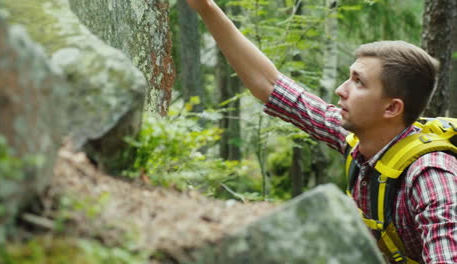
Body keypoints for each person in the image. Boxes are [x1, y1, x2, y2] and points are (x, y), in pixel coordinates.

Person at [184, 0, 457, 263]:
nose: (341, 89)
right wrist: (206, 7)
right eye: (349, 77)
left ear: (391, 108)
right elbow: (270, 86)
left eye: (359, 82)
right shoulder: (360, 141)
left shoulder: (430, 175)